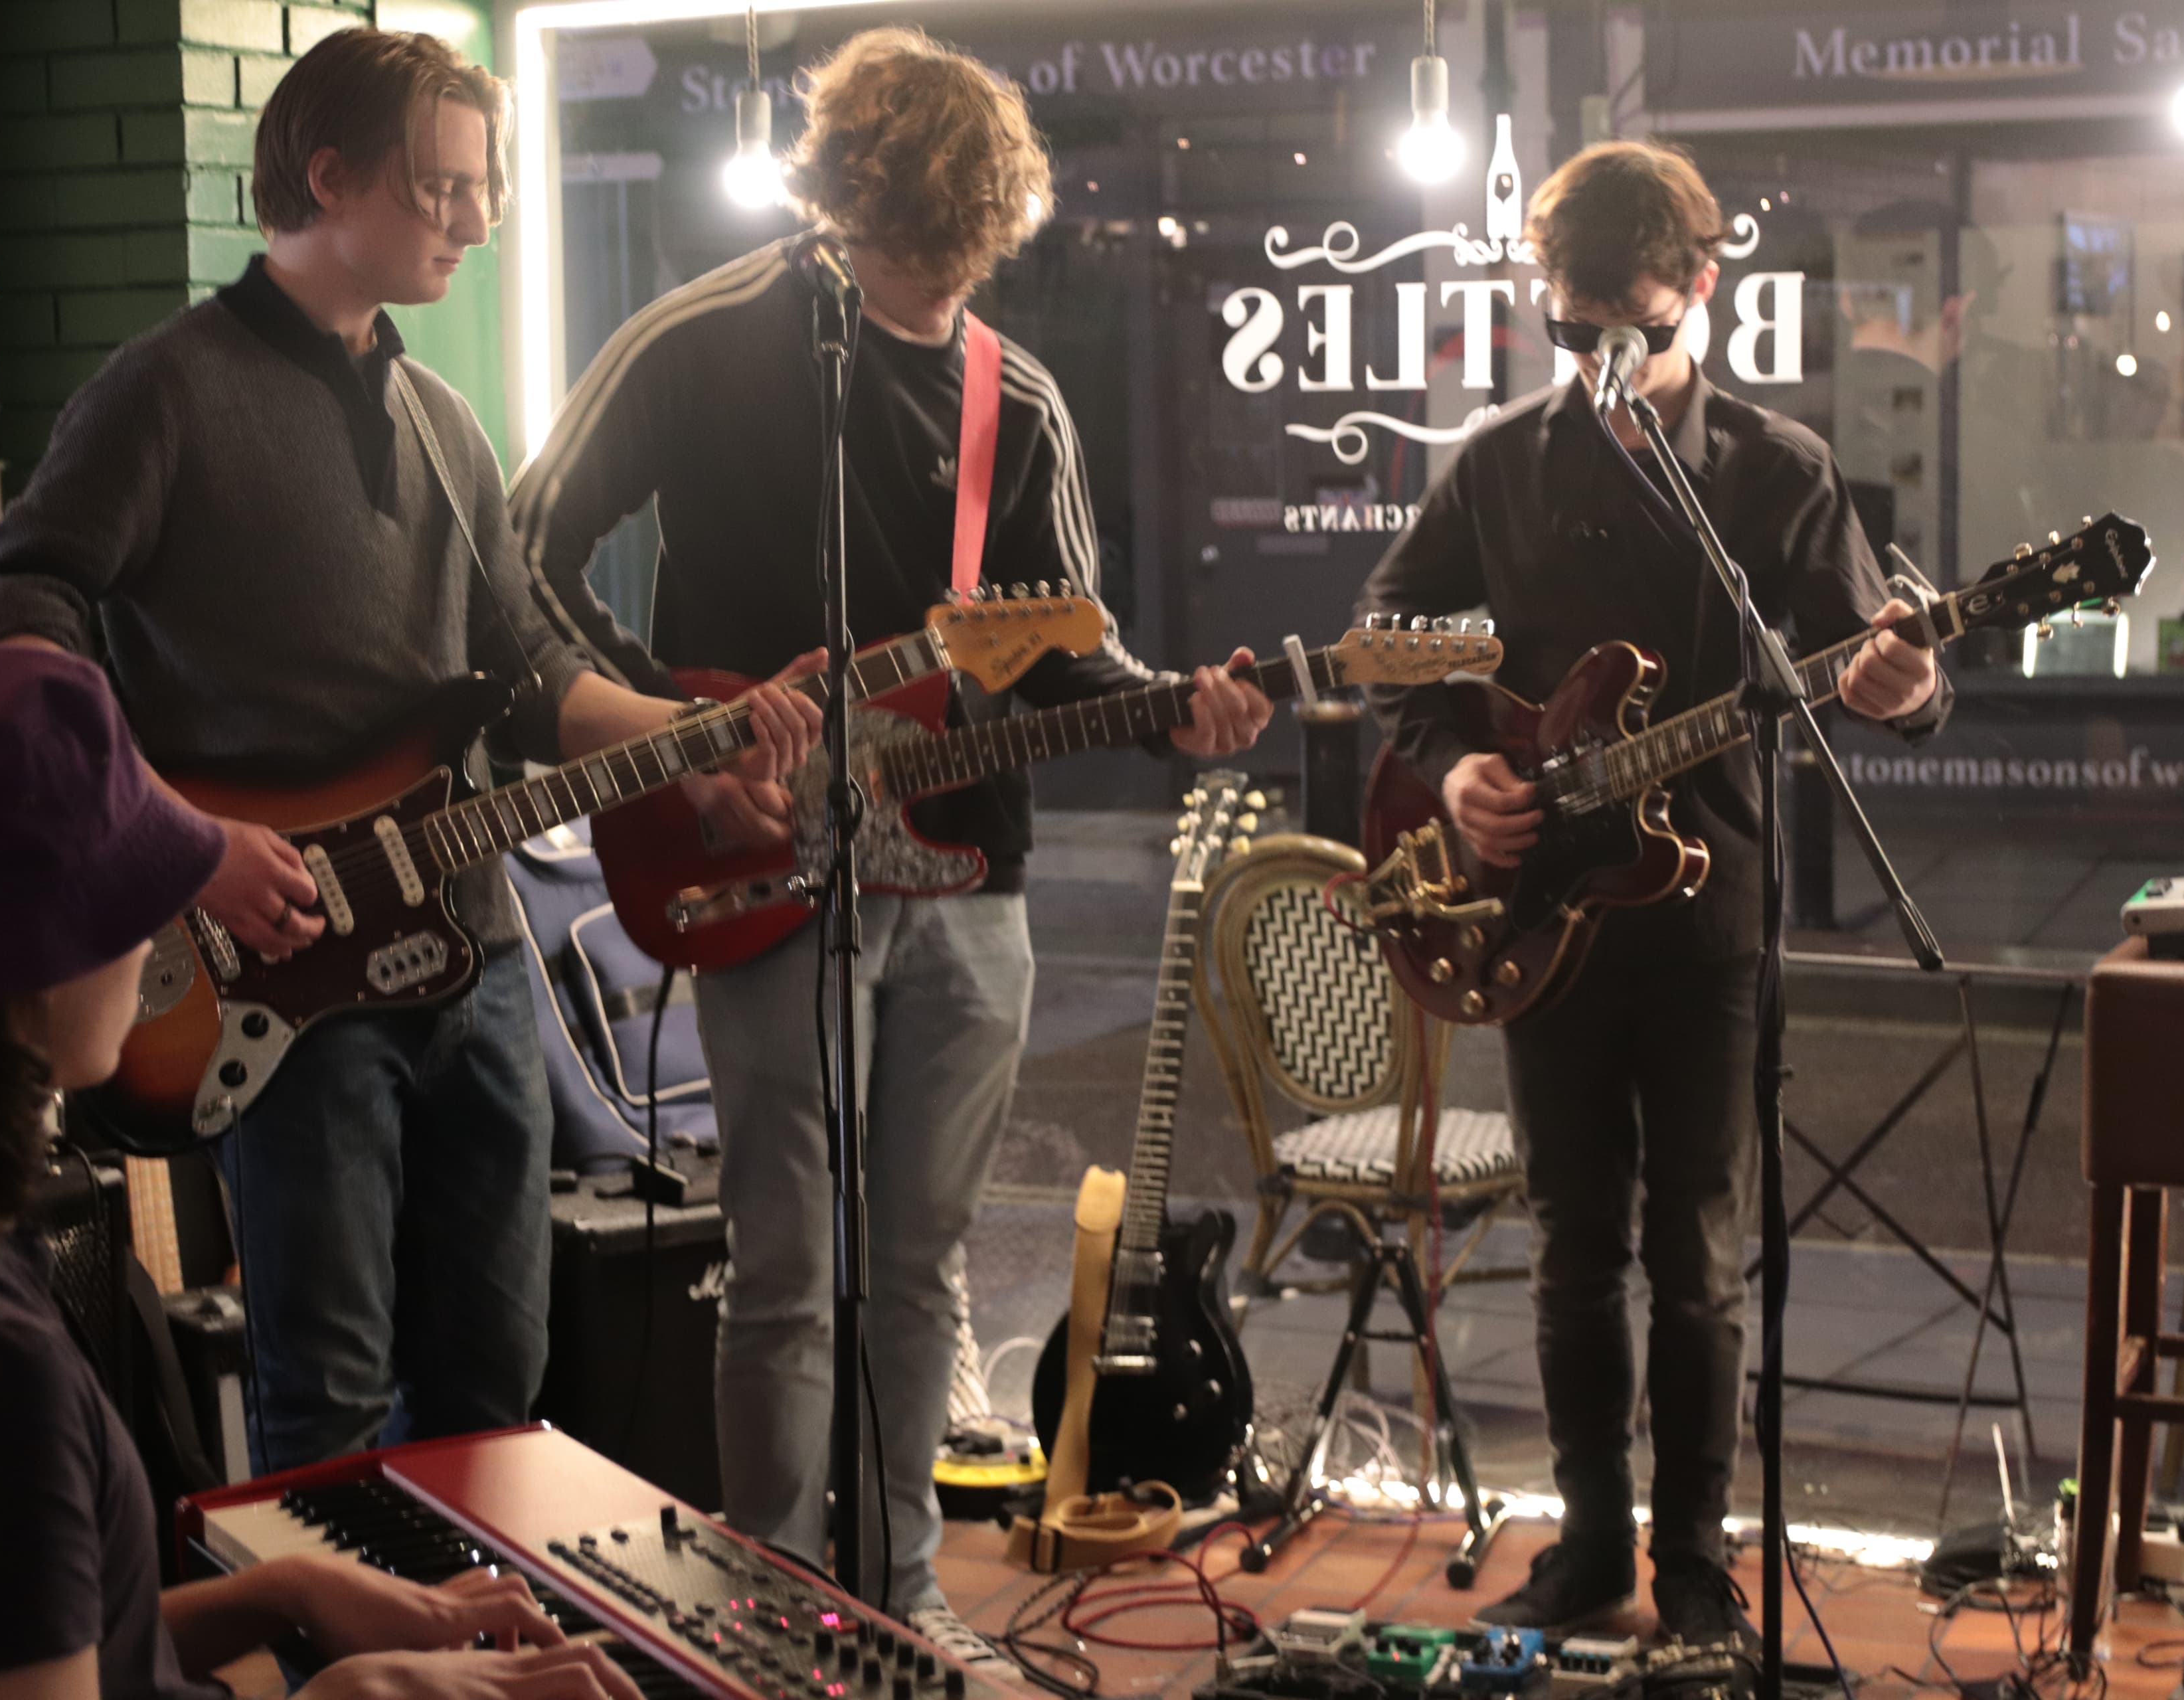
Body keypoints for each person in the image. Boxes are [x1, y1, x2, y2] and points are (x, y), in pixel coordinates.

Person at [0, 29, 821, 1474]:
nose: (477, 220)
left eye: (488, 188)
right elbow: (3, 625)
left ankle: (463, 1613)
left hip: (470, 956)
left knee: (497, 1371)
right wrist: (176, 844)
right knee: (327, 1390)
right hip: (288, 975)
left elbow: (529, 677)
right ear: (329, 176)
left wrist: (696, 742)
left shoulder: (442, 420)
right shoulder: (166, 392)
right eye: (441, 187)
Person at [509, 26, 1271, 1662]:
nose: (937, 285)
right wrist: (677, 740)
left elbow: (1061, 650)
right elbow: (528, 550)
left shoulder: (1020, 398)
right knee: (788, 1265)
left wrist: (1176, 709)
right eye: (910, 249)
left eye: (963, 254)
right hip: (752, 854)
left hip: (968, 880)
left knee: (921, 1268)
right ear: (844, 200)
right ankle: (772, 1604)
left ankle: (899, 1591)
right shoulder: (696, 342)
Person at [0, 646, 647, 1700]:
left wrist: (284, 1595)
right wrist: (342, 1696)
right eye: (140, 887)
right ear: (38, 956)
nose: (163, 925)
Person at [1358, 141, 1952, 1655]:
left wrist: (1909, 681)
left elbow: (1876, 659)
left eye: (1629, 324)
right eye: (1570, 329)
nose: (1597, 357)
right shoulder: (1500, 461)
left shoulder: (1778, 470)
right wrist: (1451, 770)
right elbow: (1388, 636)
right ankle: (1588, 1547)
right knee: (1573, 1246)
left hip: (1707, 921)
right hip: (1541, 914)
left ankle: (1693, 1563)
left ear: (1701, 285)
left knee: (1696, 1254)